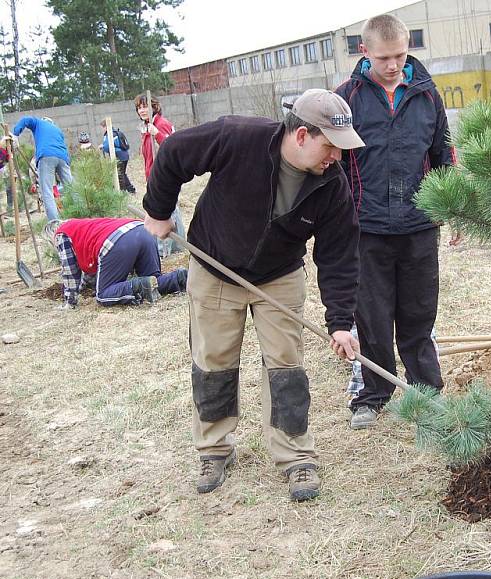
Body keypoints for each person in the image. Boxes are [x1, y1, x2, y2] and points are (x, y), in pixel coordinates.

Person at [142, 89, 364, 501]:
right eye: (331, 147)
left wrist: (340, 322)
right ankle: (213, 449)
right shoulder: (237, 137)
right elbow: (172, 153)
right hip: (215, 268)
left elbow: (339, 257)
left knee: (286, 368)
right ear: (302, 135)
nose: (337, 157)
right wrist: (158, 211)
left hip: (279, 276)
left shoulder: (332, 184)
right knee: (214, 363)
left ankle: (296, 457)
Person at [335, 14, 460, 430]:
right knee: (370, 315)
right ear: (364, 51)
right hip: (365, 229)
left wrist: (452, 207)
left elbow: (444, 155)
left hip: (420, 225)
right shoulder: (346, 98)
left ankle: (425, 390)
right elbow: (331, 165)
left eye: (400, 56)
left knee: (419, 314)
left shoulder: (427, 96)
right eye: (384, 57)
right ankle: (372, 394)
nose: (392, 65)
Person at [44, 217, 187, 309]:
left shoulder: (61, 235)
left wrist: (70, 301)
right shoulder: (79, 226)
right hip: (141, 230)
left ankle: (140, 286)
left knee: (103, 295)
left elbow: (70, 272)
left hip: (119, 241)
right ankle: (179, 278)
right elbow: (91, 272)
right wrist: (83, 286)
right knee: (154, 279)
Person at [134, 94, 185, 257]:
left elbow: (172, 148)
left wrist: (157, 134)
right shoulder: (147, 127)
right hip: (154, 175)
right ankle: (178, 246)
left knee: (163, 210)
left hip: (164, 176)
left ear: (154, 106)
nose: (142, 110)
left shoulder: (160, 125)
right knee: (173, 210)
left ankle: (164, 250)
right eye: (139, 107)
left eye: (144, 106)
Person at [12, 116, 72, 221]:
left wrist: (15, 134)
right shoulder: (57, 130)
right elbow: (64, 148)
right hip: (63, 158)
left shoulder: (38, 123)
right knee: (72, 189)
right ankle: (83, 216)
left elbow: (26, 120)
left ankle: (54, 223)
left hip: (46, 156)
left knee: (46, 191)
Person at [100, 119, 136, 194]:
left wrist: (102, 147)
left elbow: (107, 147)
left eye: (102, 128)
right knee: (122, 173)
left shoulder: (109, 135)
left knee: (120, 175)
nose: (102, 130)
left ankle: (122, 192)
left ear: (105, 127)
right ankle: (131, 189)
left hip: (119, 156)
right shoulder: (116, 133)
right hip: (125, 155)